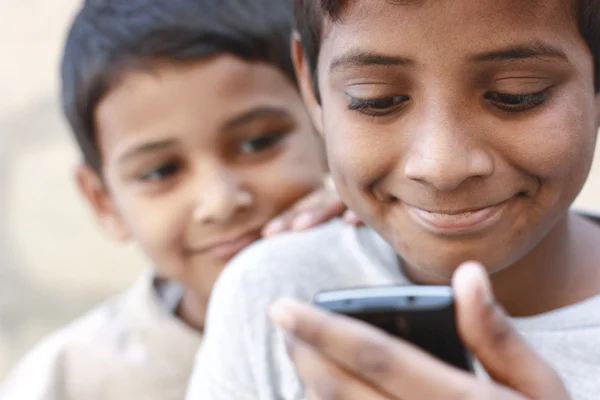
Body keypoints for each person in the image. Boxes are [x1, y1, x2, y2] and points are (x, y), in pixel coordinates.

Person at [185, 1, 600, 399]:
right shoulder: (272, 290)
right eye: (376, 100)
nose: (442, 167)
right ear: (311, 86)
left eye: (517, 94)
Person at [0, 0, 359, 398]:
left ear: (324, 121)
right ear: (103, 202)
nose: (221, 202)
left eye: (258, 143)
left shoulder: (402, 294)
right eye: (161, 172)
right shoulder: (63, 382)